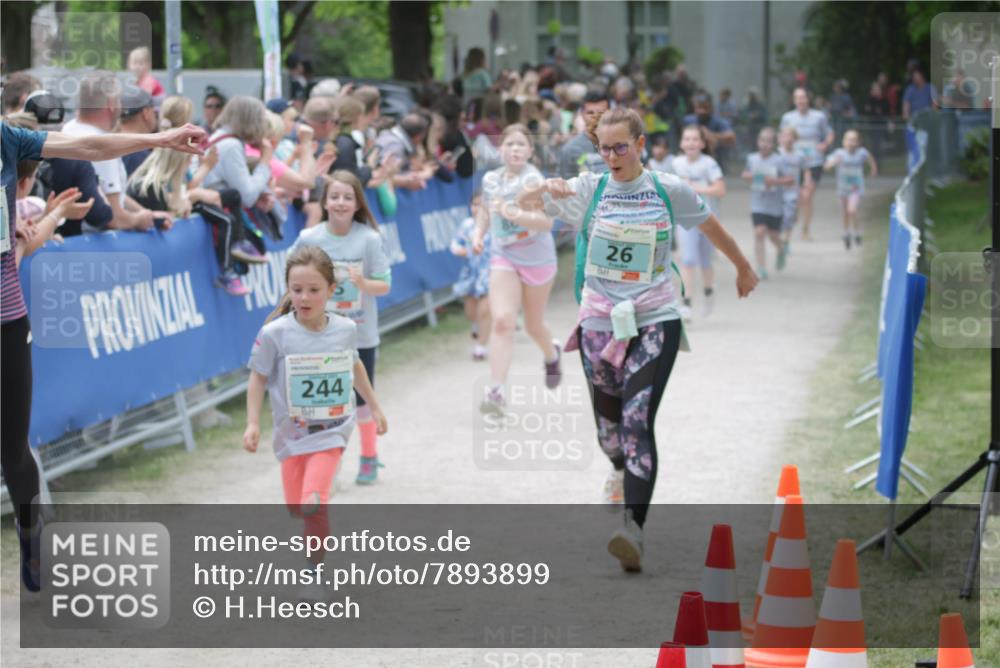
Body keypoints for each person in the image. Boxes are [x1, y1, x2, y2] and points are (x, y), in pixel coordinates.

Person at [513, 107, 757, 573]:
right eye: (604, 148)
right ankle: (617, 468)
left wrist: (743, 267)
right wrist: (544, 187)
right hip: (599, 322)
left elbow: (710, 226)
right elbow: (522, 202)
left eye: (620, 147)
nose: (611, 157)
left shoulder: (668, 189)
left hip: (654, 317)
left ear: (641, 144)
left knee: (636, 422)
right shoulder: (590, 188)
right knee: (610, 436)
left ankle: (633, 530)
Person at [2, 116, 206, 591]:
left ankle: (32, 538)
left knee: (12, 449)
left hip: (6, 318)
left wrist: (159, 138)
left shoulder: (6, 138)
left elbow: (89, 146)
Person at [244, 245, 387, 602]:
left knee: (312, 504)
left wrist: (374, 406)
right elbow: (257, 377)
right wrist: (252, 424)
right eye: (297, 290)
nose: (304, 297)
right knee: (297, 508)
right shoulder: (275, 333)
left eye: (313, 290)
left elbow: (355, 365)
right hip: (291, 436)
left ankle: (313, 573)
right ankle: (317, 492)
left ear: (331, 290)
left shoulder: (344, 329)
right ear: (287, 289)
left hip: (332, 431)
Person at [290, 171, 392, 485]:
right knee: (324, 403)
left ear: (358, 203)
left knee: (361, 399)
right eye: (334, 197)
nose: (340, 203)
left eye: (348, 197)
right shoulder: (310, 238)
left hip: (360, 332)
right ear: (324, 201)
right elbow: (291, 277)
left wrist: (362, 283)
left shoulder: (369, 239)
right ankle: (328, 465)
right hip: (319, 334)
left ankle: (369, 456)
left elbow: (384, 286)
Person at [126, 95, 261, 295]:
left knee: (231, 199)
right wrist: (197, 192)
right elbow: (177, 198)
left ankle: (239, 245)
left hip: (172, 201)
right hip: (168, 207)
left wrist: (200, 183)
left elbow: (180, 188)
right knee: (226, 219)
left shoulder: (168, 145)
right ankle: (228, 270)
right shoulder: (175, 147)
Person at [472, 124, 561, 416]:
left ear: (530, 151)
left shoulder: (534, 180)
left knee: (534, 326)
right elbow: (486, 210)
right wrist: (478, 234)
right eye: (509, 144)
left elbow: (546, 223)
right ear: (500, 149)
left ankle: (551, 354)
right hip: (504, 255)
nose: (515, 149)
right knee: (503, 321)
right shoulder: (491, 179)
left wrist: (514, 213)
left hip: (537, 258)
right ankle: (496, 391)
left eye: (521, 144)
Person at [61, 71, 173, 232]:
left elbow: (113, 195)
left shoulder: (68, 129)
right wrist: (139, 220)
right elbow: (114, 217)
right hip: (97, 240)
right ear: (111, 104)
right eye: (119, 100)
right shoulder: (104, 146)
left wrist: (147, 214)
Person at [671, 125, 726, 319]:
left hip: (707, 219)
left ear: (702, 143)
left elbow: (720, 190)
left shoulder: (709, 164)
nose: (691, 143)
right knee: (687, 260)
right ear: (681, 143)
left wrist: (695, 188)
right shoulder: (676, 164)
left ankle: (709, 291)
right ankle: (686, 303)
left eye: (695, 139)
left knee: (705, 261)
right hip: (686, 220)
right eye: (687, 139)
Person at [779, 87, 833, 241]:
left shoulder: (819, 116)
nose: (801, 101)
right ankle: (792, 218)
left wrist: (825, 144)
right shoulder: (788, 117)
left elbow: (829, 133)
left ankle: (805, 229)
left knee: (807, 195)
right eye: (798, 98)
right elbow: (782, 137)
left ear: (808, 99)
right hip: (794, 163)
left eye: (803, 97)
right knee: (795, 197)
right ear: (794, 100)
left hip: (813, 161)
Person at [742, 127, 796, 279]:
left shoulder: (780, 160)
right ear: (758, 142)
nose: (765, 144)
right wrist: (750, 177)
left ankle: (781, 249)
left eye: (769, 142)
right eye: (762, 141)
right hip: (757, 204)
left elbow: (790, 180)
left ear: (774, 144)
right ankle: (761, 268)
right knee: (759, 232)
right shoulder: (752, 158)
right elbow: (745, 174)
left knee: (773, 235)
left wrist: (774, 181)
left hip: (775, 206)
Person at [451, 192, 491, 361]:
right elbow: (455, 244)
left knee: (485, 308)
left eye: (481, 205)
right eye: (474, 204)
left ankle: (481, 346)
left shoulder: (497, 226)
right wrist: (464, 251)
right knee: (471, 310)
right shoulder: (467, 225)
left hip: (490, 272)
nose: (477, 208)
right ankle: (476, 324)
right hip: (470, 272)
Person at [824, 129, 878, 250]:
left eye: (854, 140)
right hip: (843, 189)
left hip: (856, 188)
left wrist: (874, 169)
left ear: (858, 142)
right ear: (843, 141)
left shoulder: (861, 152)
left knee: (852, 210)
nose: (851, 142)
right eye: (848, 139)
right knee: (845, 212)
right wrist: (834, 162)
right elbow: (826, 166)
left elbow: (869, 158)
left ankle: (856, 233)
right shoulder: (839, 153)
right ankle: (846, 233)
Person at [558, 90, 610, 178]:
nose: (595, 117)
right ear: (582, 114)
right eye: (590, 113)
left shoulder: (621, 144)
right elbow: (565, 181)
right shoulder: (571, 149)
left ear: (610, 113)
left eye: (601, 112)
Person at [776, 126, 807, 255]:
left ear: (795, 139)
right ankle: (778, 238)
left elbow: (805, 171)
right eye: (785, 136)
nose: (788, 139)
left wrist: (805, 187)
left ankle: (786, 241)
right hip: (777, 191)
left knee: (789, 217)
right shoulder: (776, 153)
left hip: (793, 191)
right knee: (780, 217)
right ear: (780, 138)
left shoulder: (800, 155)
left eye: (791, 136)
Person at [119, 88, 158, 177]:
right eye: (153, 110)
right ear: (146, 113)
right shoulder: (139, 153)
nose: (155, 114)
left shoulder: (109, 145)